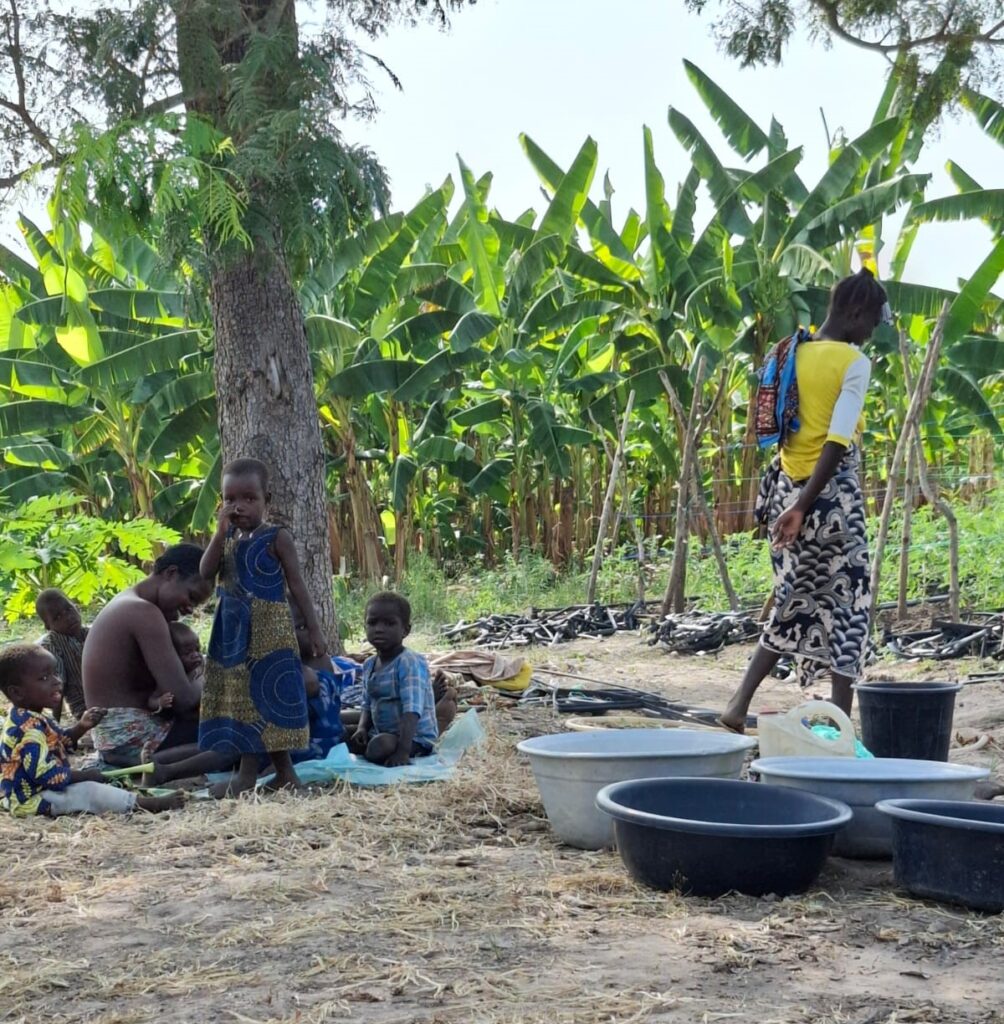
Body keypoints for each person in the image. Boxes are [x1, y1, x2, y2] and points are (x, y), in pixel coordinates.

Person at [718, 269, 890, 733]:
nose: (871, 332)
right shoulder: (852, 362)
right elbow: (836, 440)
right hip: (829, 498)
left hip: (786, 491)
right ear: (854, 313)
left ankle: (743, 705)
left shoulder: (789, 351)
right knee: (849, 603)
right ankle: (837, 727)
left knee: (798, 596)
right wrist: (807, 506)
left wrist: (792, 505)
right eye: (872, 321)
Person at [198, 458, 326, 797]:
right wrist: (218, 533)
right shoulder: (225, 539)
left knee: (271, 703)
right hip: (233, 633)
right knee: (242, 703)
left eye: (250, 498)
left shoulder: (276, 537)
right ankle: (250, 776)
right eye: (230, 499)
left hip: (271, 634)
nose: (239, 506)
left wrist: (315, 631)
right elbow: (204, 572)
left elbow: (298, 585)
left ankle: (280, 774)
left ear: (266, 500)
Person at [0, 643, 183, 816]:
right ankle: (148, 805)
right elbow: (45, 776)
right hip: (31, 799)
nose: (57, 681)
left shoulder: (33, 717)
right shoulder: (28, 731)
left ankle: (135, 794)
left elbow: (61, 741)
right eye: (44, 678)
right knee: (89, 791)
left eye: (55, 674)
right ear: (17, 692)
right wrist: (85, 776)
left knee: (93, 781)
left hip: (45, 788)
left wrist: (81, 727)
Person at [82, 544, 214, 766]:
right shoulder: (143, 613)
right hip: (133, 739)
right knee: (241, 735)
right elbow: (185, 699)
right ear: (171, 574)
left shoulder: (129, 603)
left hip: (117, 739)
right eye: (191, 597)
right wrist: (205, 670)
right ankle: (156, 765)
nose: (190, 609)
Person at [350, 592, 439, 767]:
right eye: (372, 623)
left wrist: (403, 752)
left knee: (378, 747)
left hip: (413, 738)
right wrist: (361, 728)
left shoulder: (408, 662)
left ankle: (438, 719)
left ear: (405, 630)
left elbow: (411, 710)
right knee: (342, 737)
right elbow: (367, 703)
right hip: (381, 732)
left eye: (389, 623)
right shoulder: (369, 664)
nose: (379, 629)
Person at [36, 589, 88, 723]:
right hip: (85, 706)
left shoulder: (90, 632)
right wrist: (56, 724)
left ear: (76, 607)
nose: (68, 617)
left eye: (69, 609)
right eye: (57, 617)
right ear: (48, 626)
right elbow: (58, 686)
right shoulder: (53, 644)